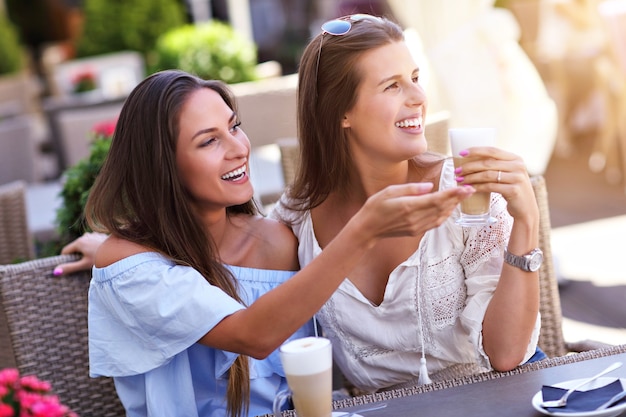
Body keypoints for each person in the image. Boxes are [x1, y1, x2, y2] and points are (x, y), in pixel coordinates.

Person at [80, 68, 473, 417]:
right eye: (208, 142)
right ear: (163, 166)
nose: (238, 148)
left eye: (234, 127)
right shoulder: (131, 264)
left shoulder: (275, 241)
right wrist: (363, 231)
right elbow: (252, 335)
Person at [269, 14, 543, 393]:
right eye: (392, 86)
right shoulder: (297, 218)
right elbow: (256, 322)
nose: (418, 98)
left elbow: (506, 355)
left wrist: (527, 221)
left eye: (415, 78)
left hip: (487, 401)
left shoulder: (465, 193)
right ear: (340, 112)